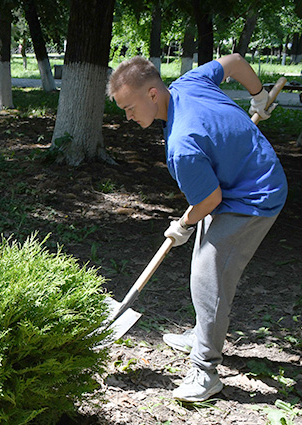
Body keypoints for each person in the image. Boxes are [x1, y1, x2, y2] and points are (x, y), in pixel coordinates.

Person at [106, 54, 287, 402]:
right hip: (236, 178)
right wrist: (259, 95)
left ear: (153, 93)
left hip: (254, 197)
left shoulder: (182, 145)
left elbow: (210, 201)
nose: (127, 117)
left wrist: (183, 224)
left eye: (129, 107)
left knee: (210, 276)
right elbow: (233, 62)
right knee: (203, 264)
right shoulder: (188, 82)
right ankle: (204, 332)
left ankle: (205, 370)